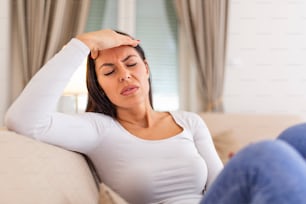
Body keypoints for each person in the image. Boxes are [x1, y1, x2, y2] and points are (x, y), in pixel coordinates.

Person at [4, 29, 306, 204]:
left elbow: (216, 187)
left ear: (146, 69)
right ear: (99, 86)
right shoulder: (98, 130)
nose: (124, 75)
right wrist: (83, 43)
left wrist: (240, 169)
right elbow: (23, 120)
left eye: (130, 63)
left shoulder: (189, 121)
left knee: (296, 136)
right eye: (109, 71)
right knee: (267, 154)